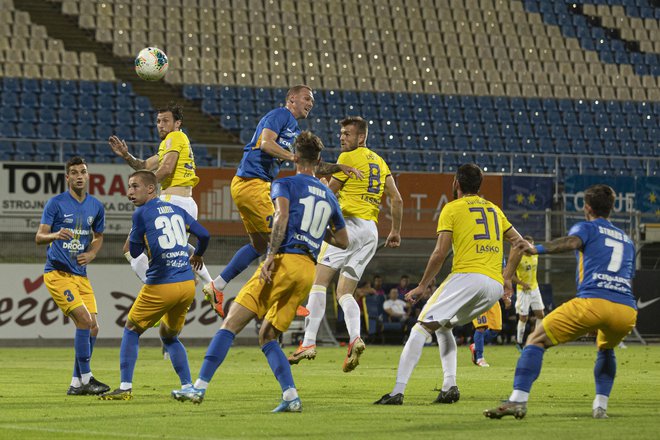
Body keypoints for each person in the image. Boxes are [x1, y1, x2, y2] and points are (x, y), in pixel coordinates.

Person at [172, 131, 348, 412]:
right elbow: (342, 240)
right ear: (318, 161)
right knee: (267, 335)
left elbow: (281, 216)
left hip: (283, 262)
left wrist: (269, 257)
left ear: (296, 157)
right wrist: (313, 232)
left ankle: (199, 387)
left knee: (231, 322)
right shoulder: (328, 195)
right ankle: (291, 397)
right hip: (307, 272)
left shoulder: (284, 183)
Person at [202, 86, 361, 318]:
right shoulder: (279, 115)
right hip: (253, 183)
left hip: (250, 185)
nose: (310, 103)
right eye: (307, 99)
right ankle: (286, 296)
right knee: (283, 236)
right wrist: (291, 156)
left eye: (312, 101)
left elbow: (309, 163)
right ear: (291, 99)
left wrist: (339, 167)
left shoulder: (294, 129)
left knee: (258, 246)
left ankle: (217, 286)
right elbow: (266, 143)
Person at [374, 163, 524, 405]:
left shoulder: (452, 208)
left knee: (420, 328)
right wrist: (507, 277)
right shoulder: (495, 210)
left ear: (456, 183)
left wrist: (422, 286)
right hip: (493, 285)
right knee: (443, 327)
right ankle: (449, 386)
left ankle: (396, 392)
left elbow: (439, 253)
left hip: (467, 277)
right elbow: (519, 243)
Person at [484, 184, 637, 420]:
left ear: (587, 208)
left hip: (594, 302)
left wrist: (537, 249)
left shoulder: (587, 227)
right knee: (606, 347)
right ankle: (600, 407)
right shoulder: (627, 240)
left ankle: (517, 399)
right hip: (626, 310)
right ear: (612, 208)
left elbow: (571, 243)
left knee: (536, 338)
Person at [287, 116, 403, 372]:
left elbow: (331, 192)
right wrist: (394, 231)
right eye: (340, 133)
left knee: (319, 281)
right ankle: (355, 338)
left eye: (347, 134)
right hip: (371, 232)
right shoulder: (380, 162)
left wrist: (321, 187)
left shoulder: (349, 159)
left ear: (361, 137)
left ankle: (308, 342)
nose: (342, 138)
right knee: (345, 293)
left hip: (349, 226)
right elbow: (396, 198)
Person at [99, 170, 210, 400]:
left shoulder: (141, 214)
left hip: (162, 284)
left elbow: (135, 251)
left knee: (131, 329)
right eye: (129, 187)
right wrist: (197, 255)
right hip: (187, 285)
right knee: (169, 336)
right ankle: (188, 386)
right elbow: (204, 234)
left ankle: (125, 387)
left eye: (135, 186)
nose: (129, 192)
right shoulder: (178, 211)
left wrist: (138, 240)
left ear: (151, 188)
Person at [108, 102, 213, 294]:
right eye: (158, 121)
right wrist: (126, 155)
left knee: (130, 248)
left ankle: (154, 290)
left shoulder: (175, 137)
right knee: (175, 248)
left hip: (172, 199)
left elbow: (165, 169)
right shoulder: (170, 143)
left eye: (165, 120)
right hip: (184, 201)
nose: (160, 125)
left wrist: (144, 188)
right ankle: (211, 285)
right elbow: (144, 165)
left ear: (177, 123)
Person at [35, 156, 110, 396]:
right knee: (85, 321)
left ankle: (76, 383)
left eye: (83, 172)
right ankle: (87, 379)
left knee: (94, 328)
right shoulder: (55, 204)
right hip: (57, 274)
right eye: (74, 172)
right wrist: (55, 235)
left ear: (88, 176)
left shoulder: (96, 206)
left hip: (81, 274)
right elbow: (39, 237)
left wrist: (92, 253)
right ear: (67, 177)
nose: (79, 176)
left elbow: (98, 235)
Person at [511, 235, 545, 350]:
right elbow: (510, 275)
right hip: (523, 291)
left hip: (535, 288)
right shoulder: (518, 257)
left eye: (532, 245)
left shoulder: (535, 255)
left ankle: (535, 340)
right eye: (528, 245)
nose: (530, 247)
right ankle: (519, 341)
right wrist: (522, 283)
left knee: (540, 315)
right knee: (523, 318)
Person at [469, 300, 506, 367]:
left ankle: (476, 346)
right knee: (480, 327)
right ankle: (479, 358)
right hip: (479, 298)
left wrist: (505, 296)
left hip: (493, 298)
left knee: (495, 329)